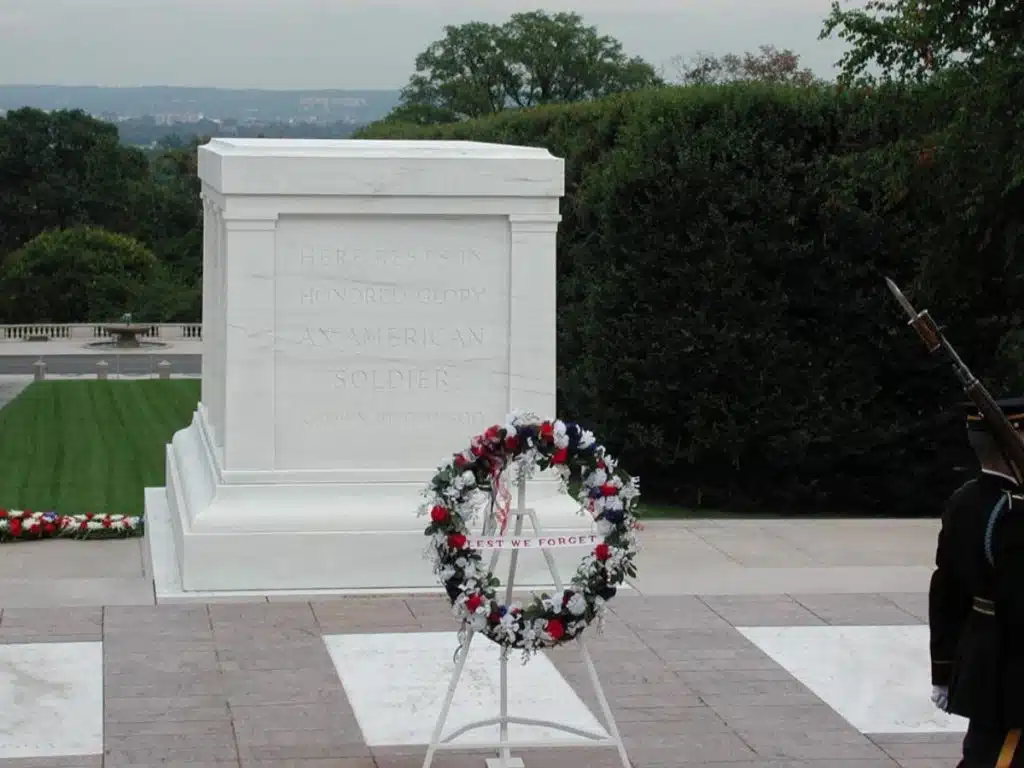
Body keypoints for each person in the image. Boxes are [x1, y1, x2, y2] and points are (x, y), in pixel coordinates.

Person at [930, 397, 1024, 767]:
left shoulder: (964, 500)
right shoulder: (1014, 515)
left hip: (984, 661)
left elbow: (945, 593)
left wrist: (943, 667)